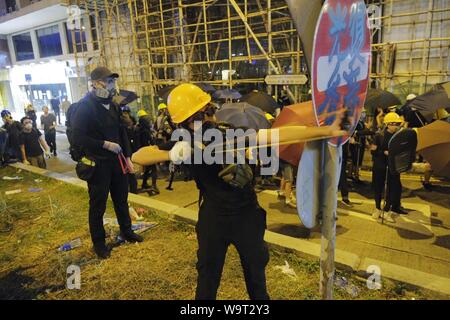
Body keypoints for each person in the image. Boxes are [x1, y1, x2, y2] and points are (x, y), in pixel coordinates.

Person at [131, 83, 346, 300]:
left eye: (207, 113)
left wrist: (327, 130)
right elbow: (138, 156)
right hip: (214, 219)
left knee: (256, 280)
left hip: (245, 216)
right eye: (192, 120)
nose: (204, 122)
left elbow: (279, 135)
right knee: (207, 279)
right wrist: (172, 153)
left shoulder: (230, 135)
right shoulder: (185, 143)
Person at [72, 66, 143, 259]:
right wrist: (104, 144)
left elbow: (121, 132)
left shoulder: (113, 104)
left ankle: (126, 231)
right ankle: (99, 243)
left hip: (117, 163)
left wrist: (128, 157)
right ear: (95, 84)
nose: (112, 85)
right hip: (98, 164)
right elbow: (78, 136)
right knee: (98, 205)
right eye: (108, 81)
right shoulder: (84, 106)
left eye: (113, 81)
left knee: (121, 199)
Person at [370, 112, 407, 222]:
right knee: (378, 187)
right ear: (388, 124)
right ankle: (377, 208)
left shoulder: (399, 136)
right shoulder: (379, 136)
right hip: (379, 165)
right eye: (394, 123)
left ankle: (386, 210)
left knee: (391, 189)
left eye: (397, 124)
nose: (396, 126)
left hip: (392, 166)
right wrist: (383, 152)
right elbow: (373, 151)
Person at [135, 109, 159, 194]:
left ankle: (144, 184)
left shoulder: (139, 129)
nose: (148, 119)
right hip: (147, 152)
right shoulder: (145, 131)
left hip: (142, 151)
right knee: (153, 168)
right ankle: (154, 186)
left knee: (148, 168)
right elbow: (148, 142)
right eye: (146, 118)